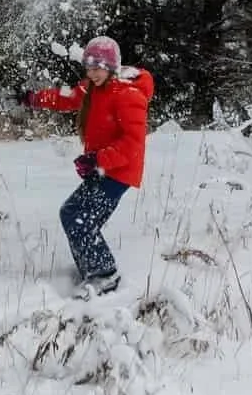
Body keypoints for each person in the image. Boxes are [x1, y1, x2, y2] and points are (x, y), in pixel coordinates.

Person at [20, 36, 153, 297]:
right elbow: (67, 98)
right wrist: (34, 98)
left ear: (111, 66)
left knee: (78, 217)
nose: (91, 73)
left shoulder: (128, 95)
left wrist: (98, 159)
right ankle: (91, 270)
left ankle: (104, 275)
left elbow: (132, 144)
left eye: (97, 67)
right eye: (88, 67)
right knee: (73, 213)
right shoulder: (94, 89)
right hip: (102, 168)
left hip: (119, 172)